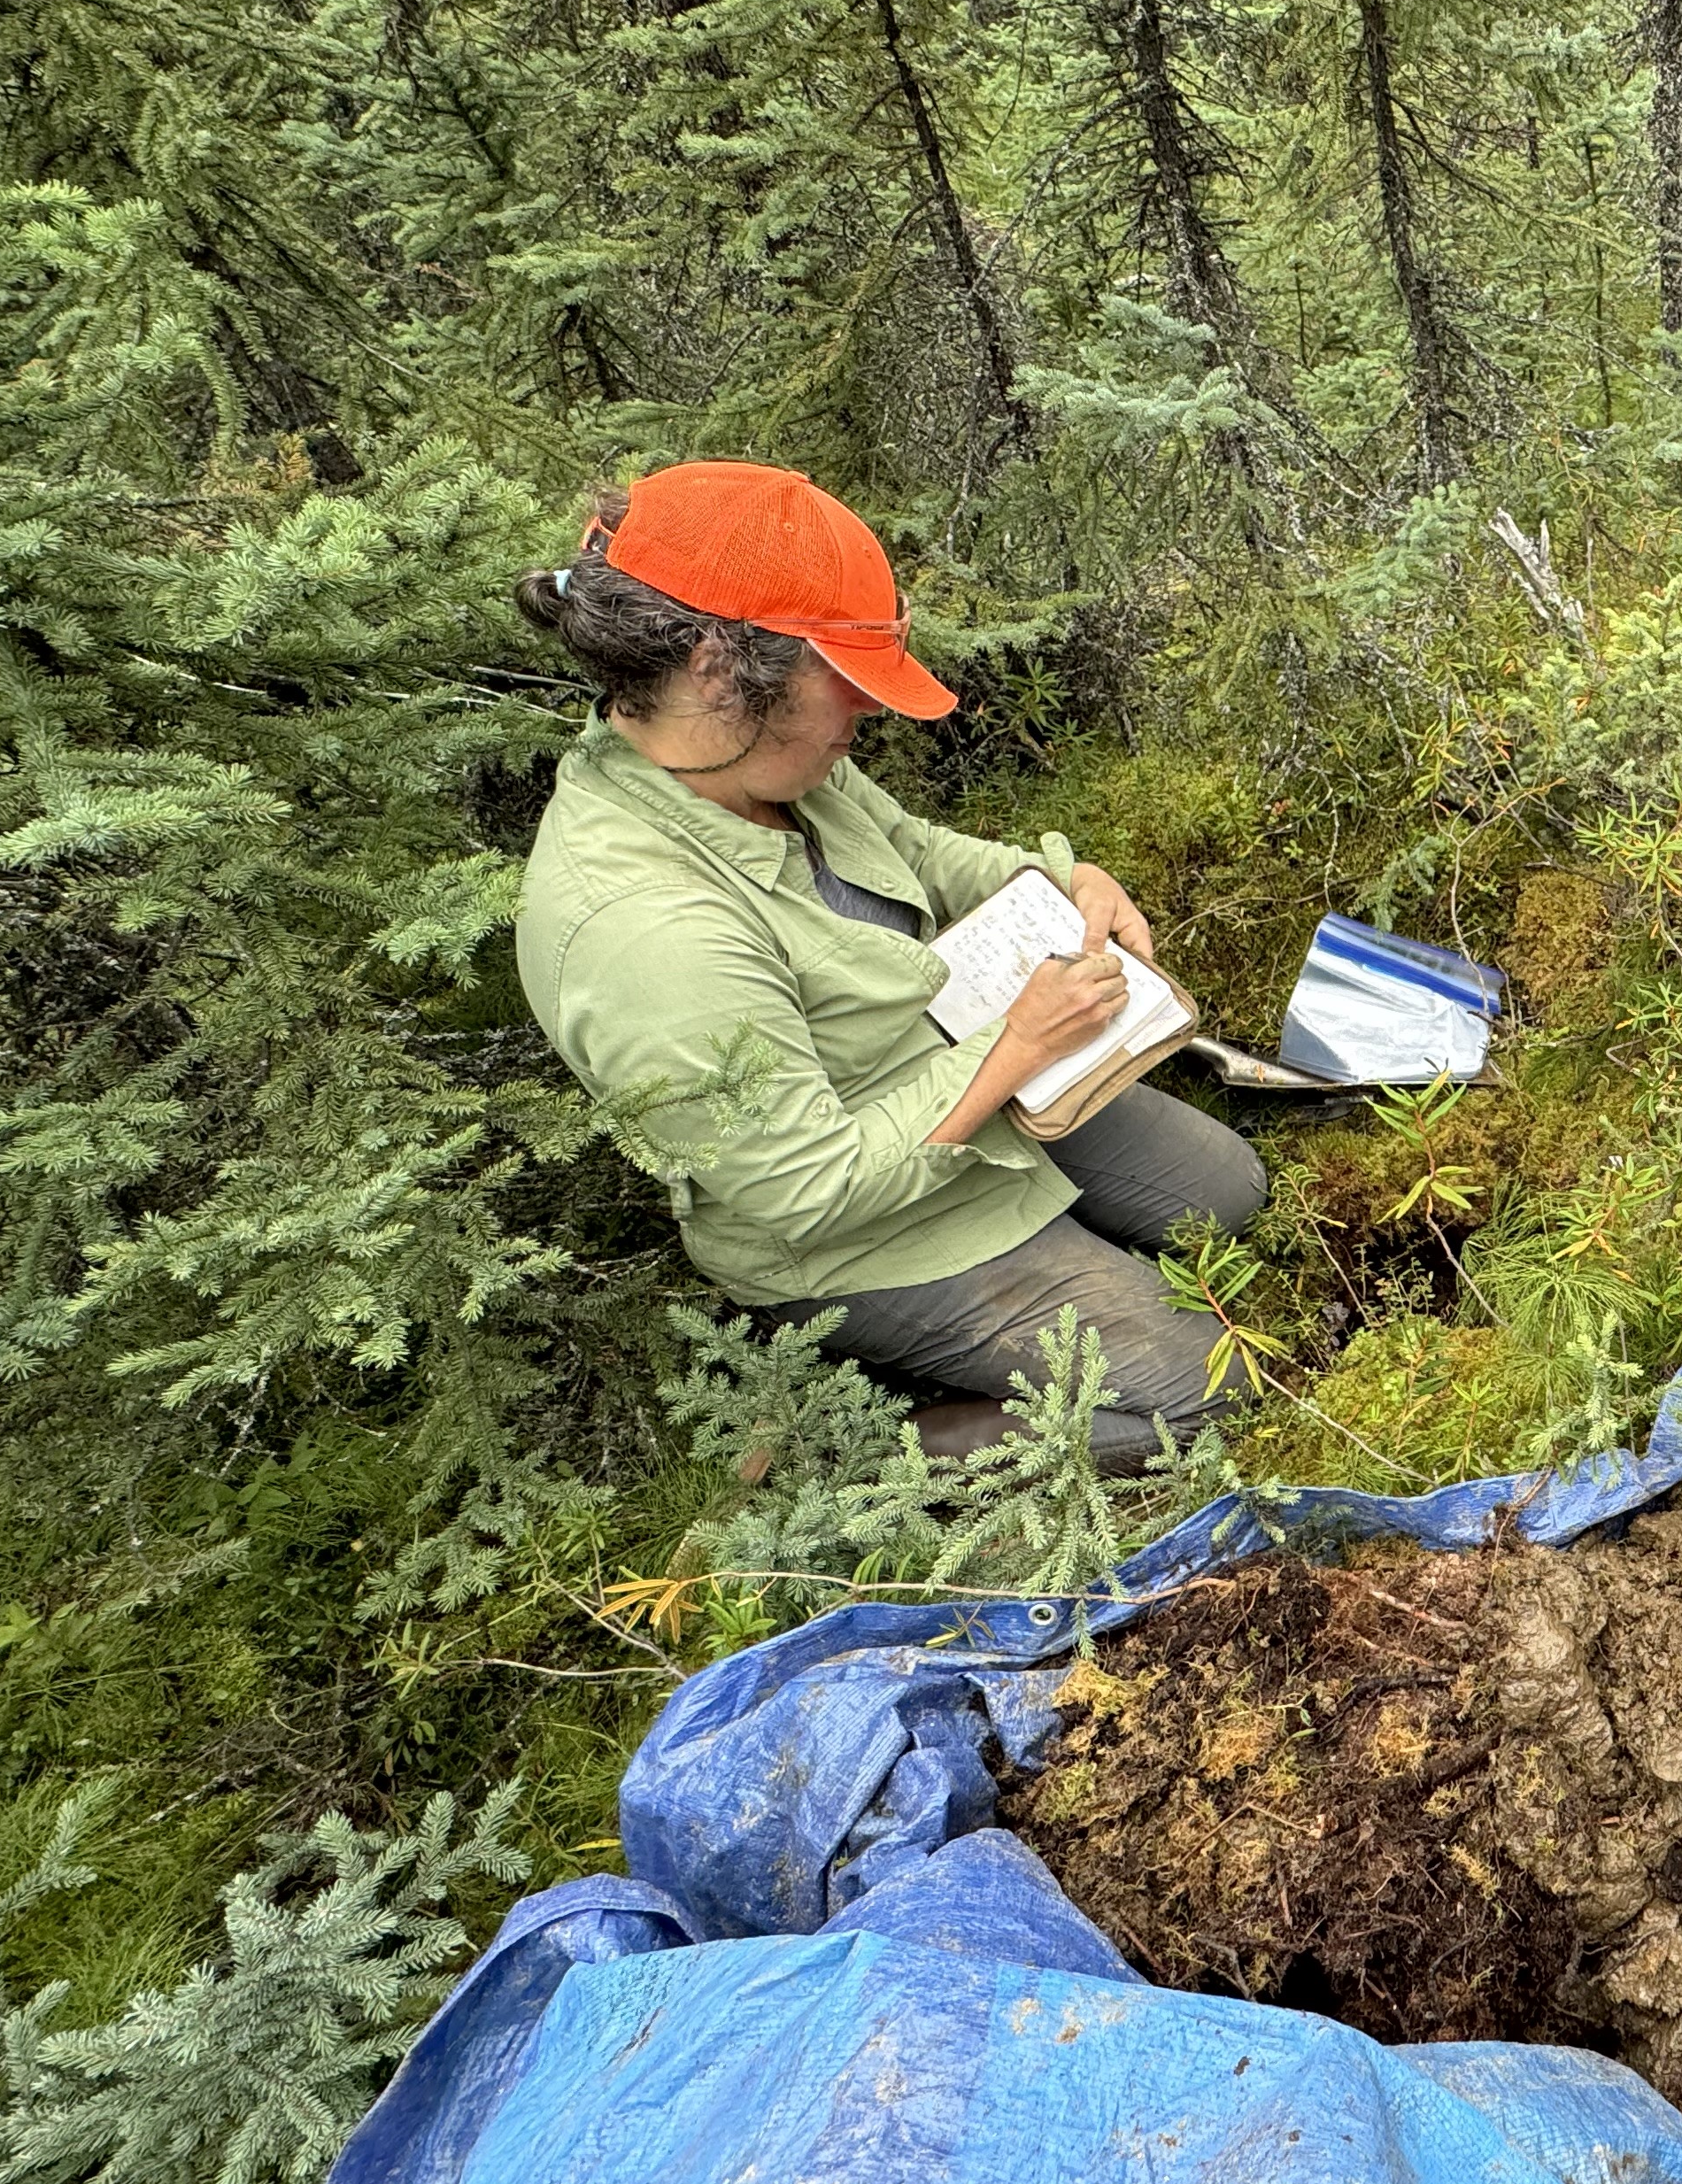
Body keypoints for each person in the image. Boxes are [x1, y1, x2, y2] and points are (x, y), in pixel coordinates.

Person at [513, 459, 1267, 1464]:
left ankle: (1035, 1298)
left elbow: (910, 851)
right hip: (857, 1234)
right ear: (713, 666)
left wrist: (1059, 876)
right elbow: (806, 1191)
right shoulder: (643, 927)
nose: (869, 712)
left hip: (959, 1078)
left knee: (1230, 1194)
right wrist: (1014, 1045)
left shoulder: (748, 755)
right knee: (1218, 1394)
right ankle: (860, 1443)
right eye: (850, 681)